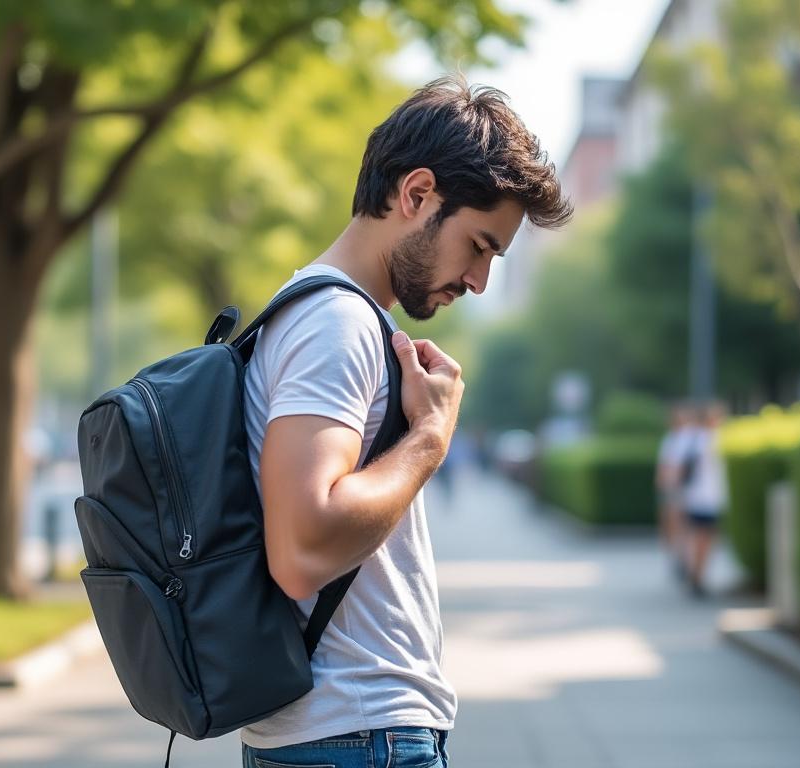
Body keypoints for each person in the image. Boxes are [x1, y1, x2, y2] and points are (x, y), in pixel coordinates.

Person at [241, 76, 572, 768]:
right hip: (358, 734)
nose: (478, 281)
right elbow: (301, 552)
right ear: (416, 194)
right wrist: (429, 438)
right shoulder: (336, 324)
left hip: (344, 734)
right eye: (478, 245)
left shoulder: (325, 315)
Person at [680, 402, 728, 597]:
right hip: (708, 498)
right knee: (704, 539)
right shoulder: (711, 439)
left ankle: (695, 573)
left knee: (697, 537)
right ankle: (698, 576)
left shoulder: (691, 439)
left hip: (695, 496)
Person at [655, 404, 696, 573]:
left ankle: (684, 557)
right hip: (672, 488)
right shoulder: (670, 439)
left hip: (683, 488)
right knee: (673, 523)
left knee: (683, 524)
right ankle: (678, 555)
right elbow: (664, 465)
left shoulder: (688, 438)